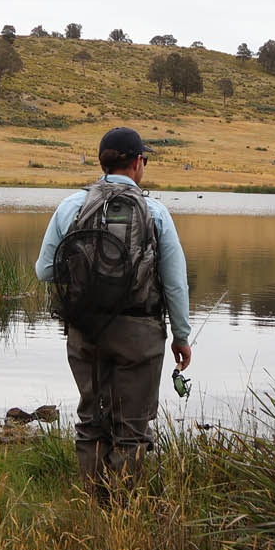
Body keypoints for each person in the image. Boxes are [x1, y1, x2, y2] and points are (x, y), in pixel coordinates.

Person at [35, 126, 192, 499]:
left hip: (85, 330)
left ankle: (94, 507)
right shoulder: (155, 212)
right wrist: (181, 337)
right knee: (132, 429)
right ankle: (123, 515)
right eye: (144, 159)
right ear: (138, 163)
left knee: (90, 423)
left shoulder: (72, 206)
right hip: (140, 333)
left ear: (102, 162)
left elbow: (44, 270)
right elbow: (175, 284)